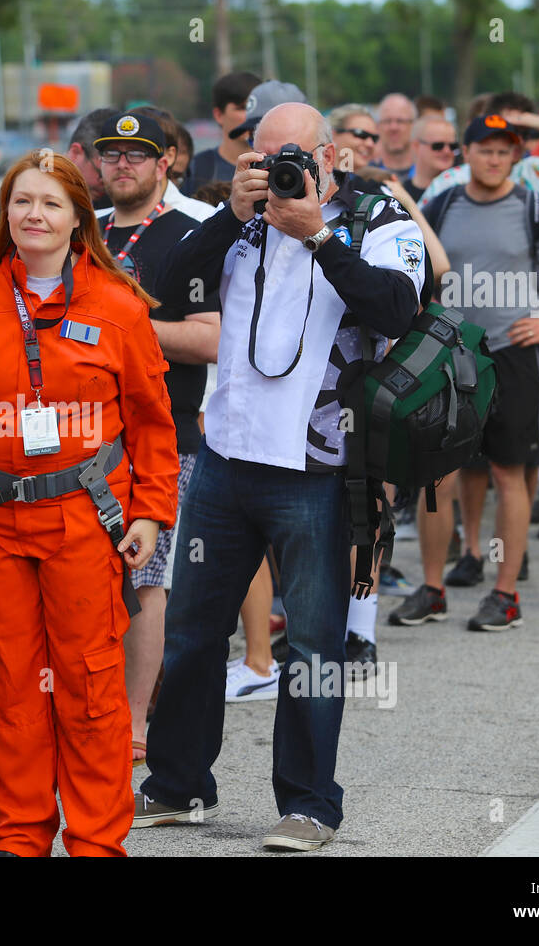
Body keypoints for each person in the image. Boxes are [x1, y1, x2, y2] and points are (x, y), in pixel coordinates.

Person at [134, 101, 426, 851]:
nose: (274, 172)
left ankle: (309, 806)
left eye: (287, 157)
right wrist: (231, 215)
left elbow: (398, 309)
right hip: (228, 460)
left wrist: (320, 237)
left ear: (327, 154)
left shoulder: (373, 215)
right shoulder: (236, 216)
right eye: (259, 158)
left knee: (313, 648)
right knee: (195, 632)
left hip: (319, 469)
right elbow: (160, 282)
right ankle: (176, 785)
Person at [0, 151, 179, 856]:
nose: (35, 215)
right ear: (4, 215)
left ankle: (95, 842)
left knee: (90, 688)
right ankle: (21, 838)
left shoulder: (119, 306)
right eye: (21, 202)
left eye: (51, 204)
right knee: (7, 689)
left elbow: (154, 422)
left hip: (87, 522)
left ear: (76, 220)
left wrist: (150, 511)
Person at [391, 115, 539, 632]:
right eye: (484, 149)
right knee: (436, 476)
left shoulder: (536, 207)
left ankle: (506, 594)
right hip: (451, 354)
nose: (494, 159)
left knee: (510, 474)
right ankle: (433, 588)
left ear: (515, 155)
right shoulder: (444, 205)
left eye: (504, 150)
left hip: (514, 353)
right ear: (465, 153)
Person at [91, 111, 220, 763]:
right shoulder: (82, 229)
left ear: (164, 162)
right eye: (110, 154)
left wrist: (122, 330)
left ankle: (137, 726)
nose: (122, 165)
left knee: (148, 579)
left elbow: (210, 338)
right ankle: (91, 712)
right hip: (80, 439)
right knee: (86, 577)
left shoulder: (190, 233)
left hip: (165, 433)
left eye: (136, 155)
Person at [0, 108, 116, 259]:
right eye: (100, 174)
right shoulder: (14, 193)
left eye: (51, 204)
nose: (34, 215)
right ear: (76, 152)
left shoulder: (113, 204)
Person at [182, 71, 262, 195]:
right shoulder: (198, 168)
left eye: (256, 108)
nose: (252, 115)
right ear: (219, 115)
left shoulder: (278, 165)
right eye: (243, 108)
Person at [405, 116, 459, 202]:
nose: (447, 151)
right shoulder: (400, 195)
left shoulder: (464, 191)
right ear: (416, 146)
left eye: (453, 146)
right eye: (438, 146)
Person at [374, 92, 417, 178]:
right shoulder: (365, 177)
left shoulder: (427, 174)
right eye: (387, 121)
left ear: (414, 125)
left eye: (400, 121)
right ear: (378, 127)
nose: (393, 127)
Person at [329, 104, 380, 173]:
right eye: (361, 134)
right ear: (333, 135)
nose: (370, 144)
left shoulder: (381, 181)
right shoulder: (314, 179)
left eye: (374, 138)